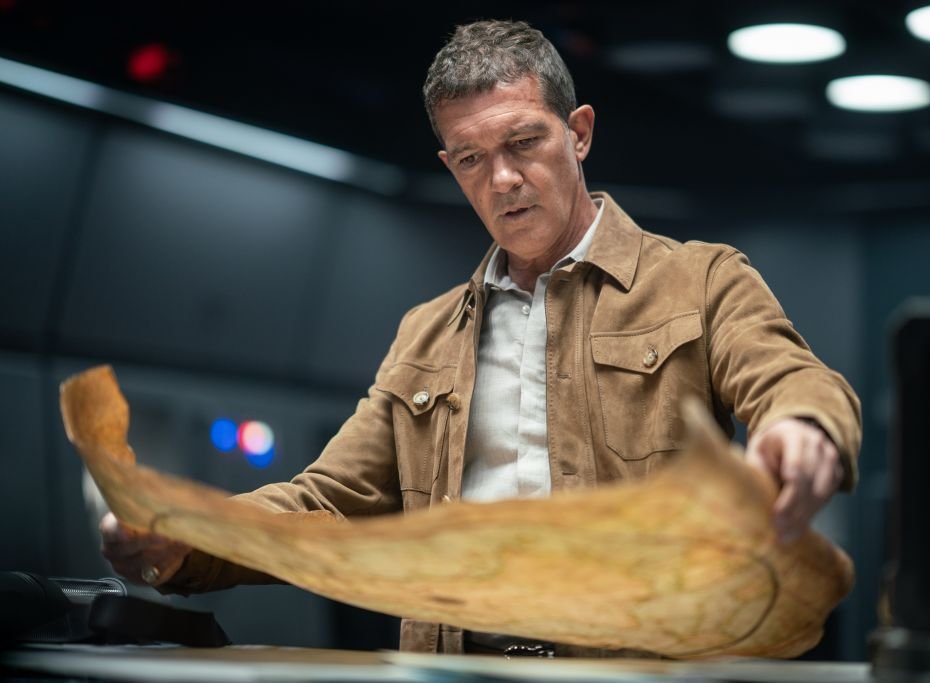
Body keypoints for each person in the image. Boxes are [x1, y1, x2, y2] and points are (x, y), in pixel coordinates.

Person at [100, 19, 861, 656]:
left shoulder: (700, 281)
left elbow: (792, 378)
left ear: (579, 133)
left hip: (639, 669)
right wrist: (187, 541)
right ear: (449, 164)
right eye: (471, 158)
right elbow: (327, 501)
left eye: (523, 143)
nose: (501, 179)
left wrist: (802, 427)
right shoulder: (426, 334)